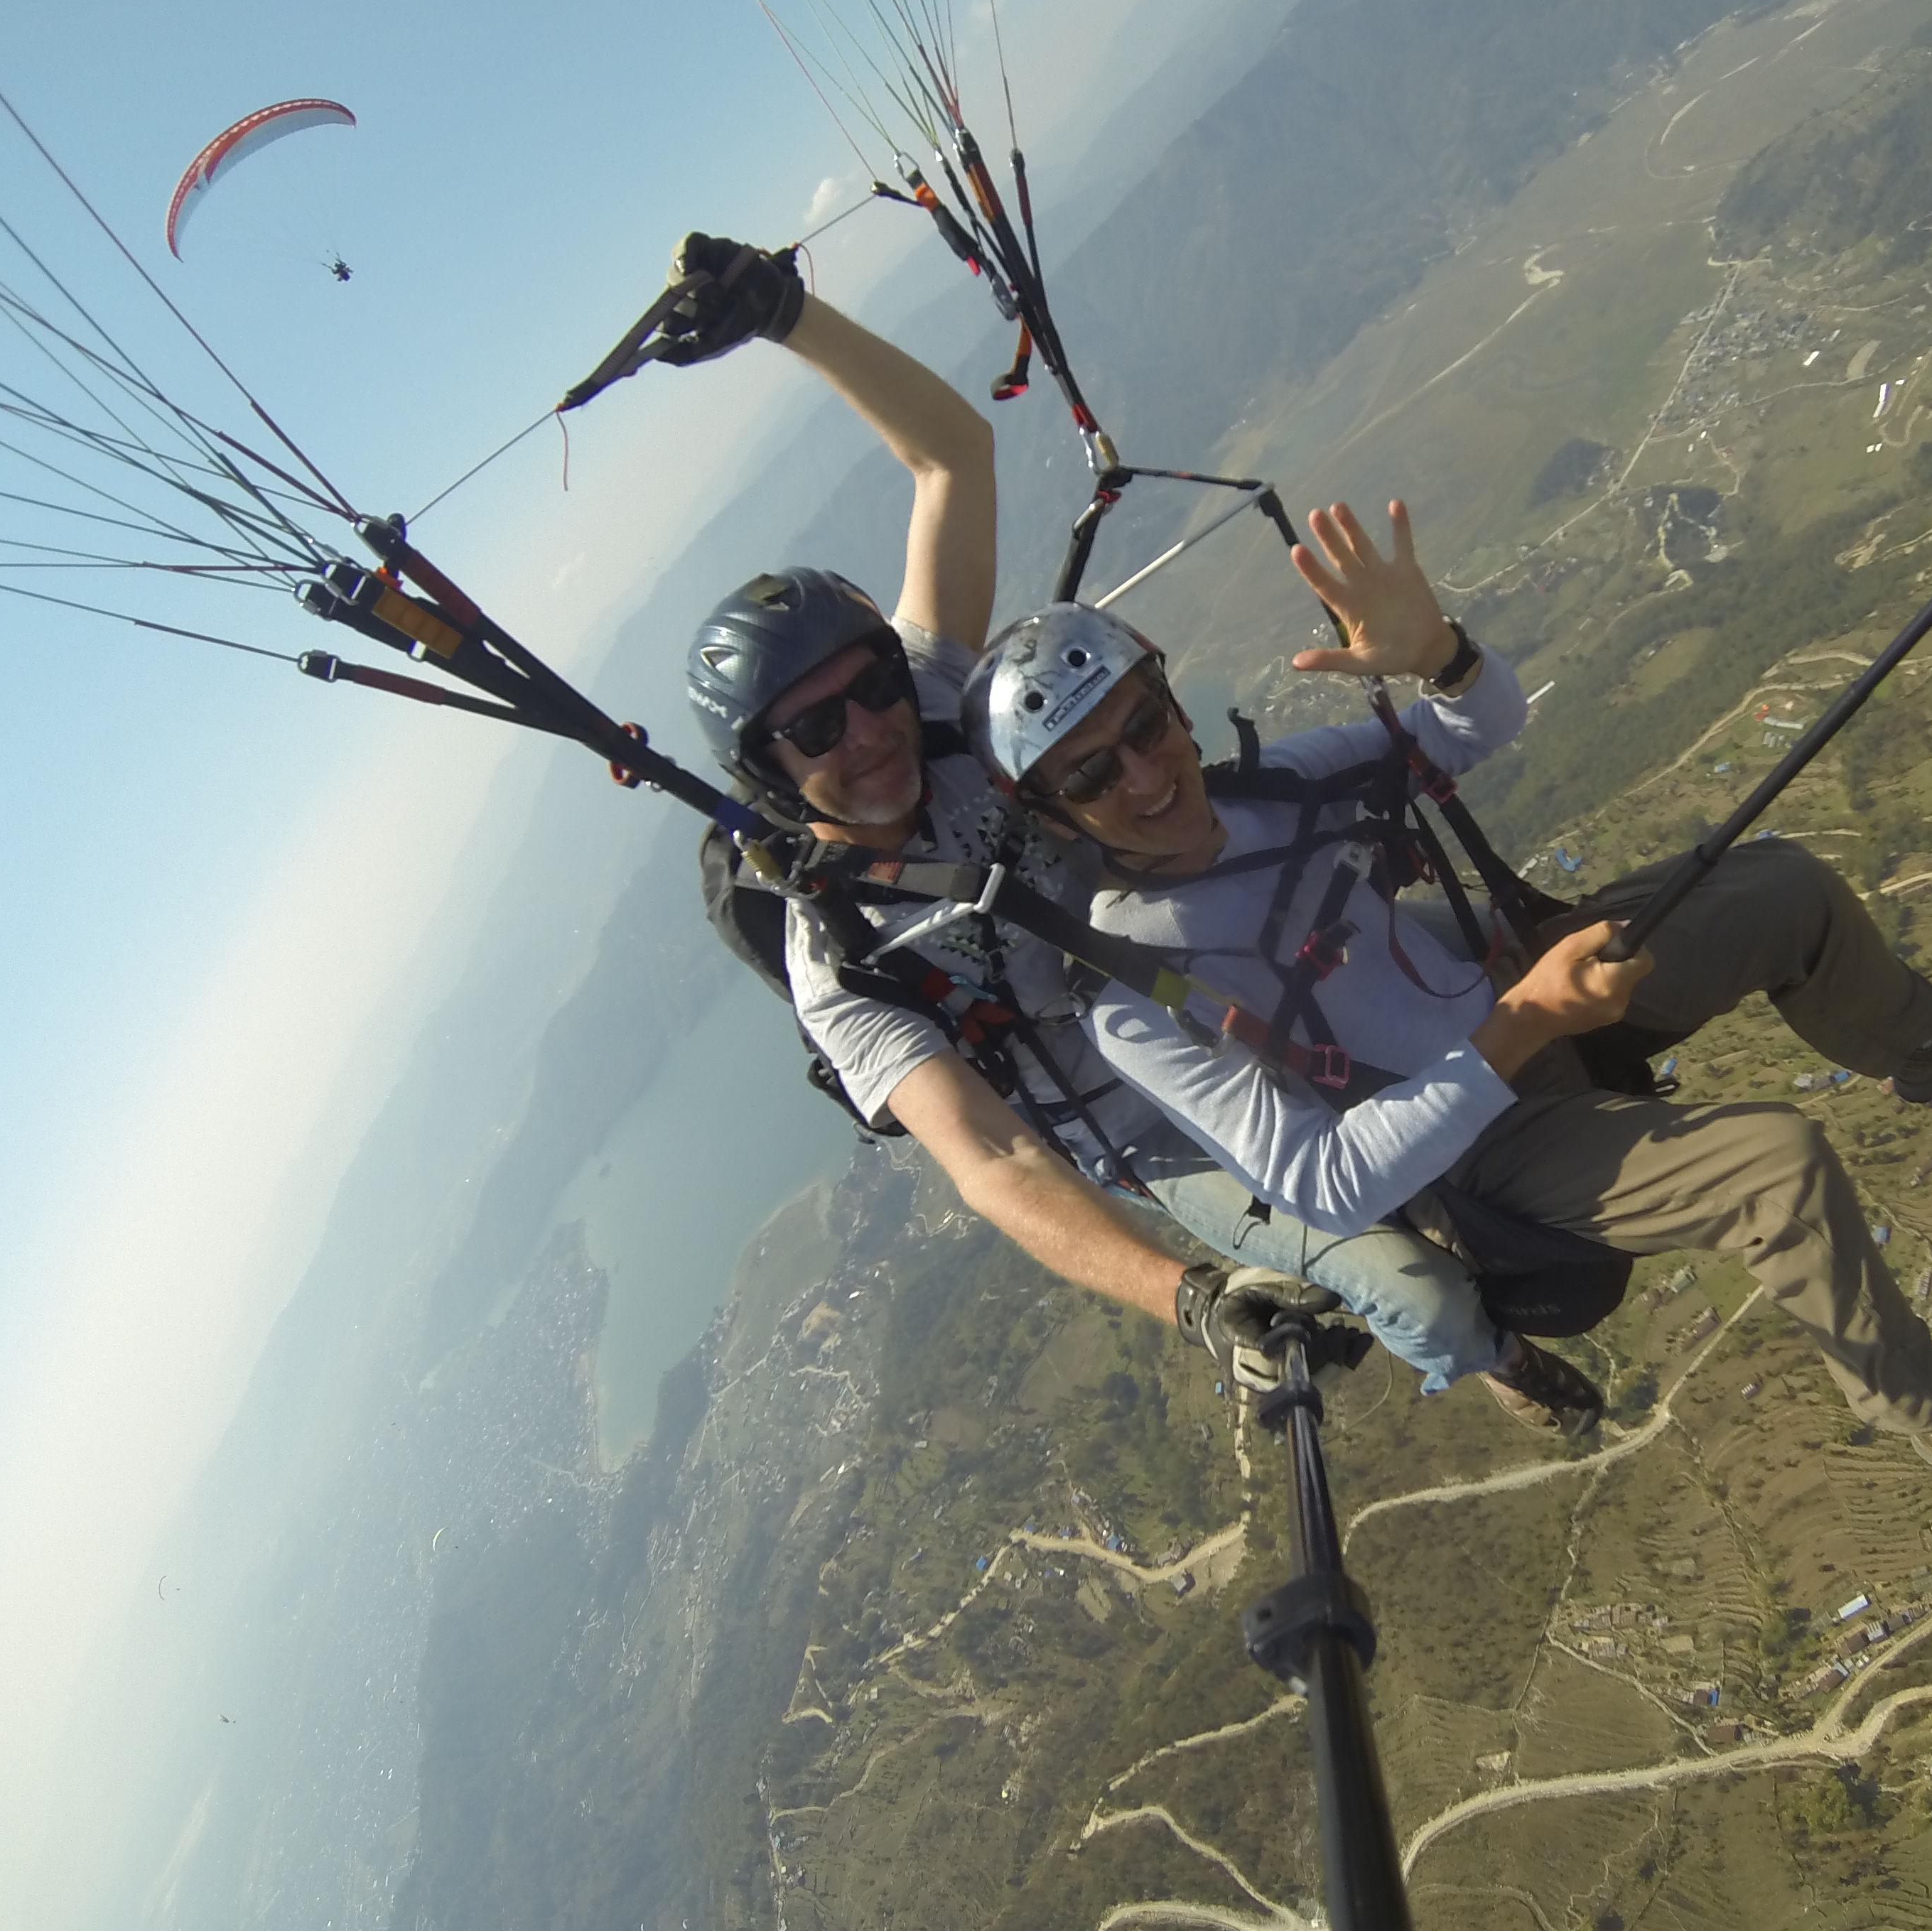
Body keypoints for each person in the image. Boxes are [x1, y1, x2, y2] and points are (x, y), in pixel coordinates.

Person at [962, 499, 1932, 1523]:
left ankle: (1926, 1039)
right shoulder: (1134, 993)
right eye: (1090, 774)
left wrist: (1442, 657)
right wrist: (1525, 1022)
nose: (1144, 776)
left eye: (1142, 725)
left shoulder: (1277, 788)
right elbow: (1325, 1186)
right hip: (1485, 1141)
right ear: (1053, 814)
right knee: (1776, 1169)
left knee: (1780, 887)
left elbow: (1474, 730)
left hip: (1521, 992)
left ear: (1172, 703)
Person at [662, 235, 1602, 1424]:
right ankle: (1498, 1361)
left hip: (1254, 957)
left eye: (871, 685)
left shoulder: (939, 701)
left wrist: (787, 315)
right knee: (1421, 1290)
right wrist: (1190, 1298)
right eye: (814, 730)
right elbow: (993, 1161)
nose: (866, 731)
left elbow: (951, 456)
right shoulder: (841, 958)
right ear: (769, 771)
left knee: (1566, 959)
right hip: (1150, 1112)